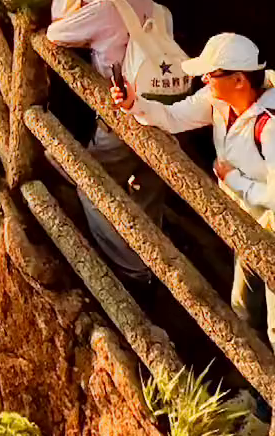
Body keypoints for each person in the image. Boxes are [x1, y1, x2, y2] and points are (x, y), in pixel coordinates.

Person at [113, 32, 275, 343]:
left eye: (211, 74)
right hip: (249, 224)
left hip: (269, 227)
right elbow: (173, 117)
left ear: (239, 80)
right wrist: (134, 103)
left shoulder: (270, 126)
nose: (203, 80)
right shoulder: (218, 102)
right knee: (243, 307)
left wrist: (234, 181)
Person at [46, 0, 179, 280]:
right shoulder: (162, 12)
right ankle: (157, 260)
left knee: (91, 180)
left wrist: (98, 4)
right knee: (147, 192)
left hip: (122, 122)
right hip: (163, 117)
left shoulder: (107, 10)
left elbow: (56, 33)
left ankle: (134, 269)